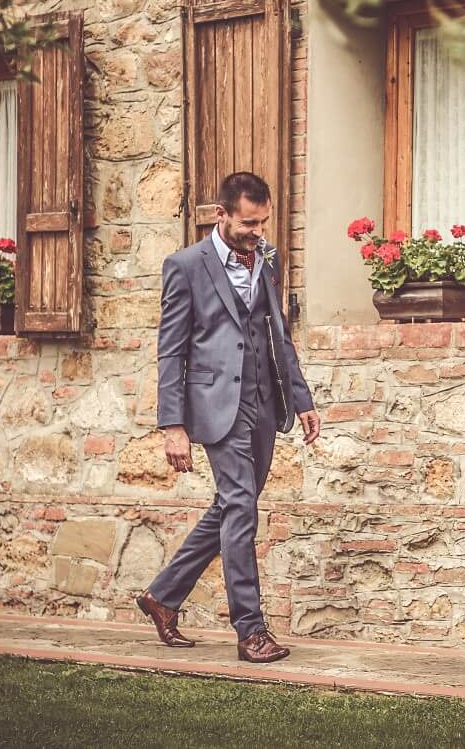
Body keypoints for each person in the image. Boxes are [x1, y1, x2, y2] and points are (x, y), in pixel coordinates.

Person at [135, 171, 320, 664]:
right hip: (216, 407)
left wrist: (301, 399)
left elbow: (279, 334)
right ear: (221, 215)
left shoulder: (269, 257)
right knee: (241, 507)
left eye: (262, 222)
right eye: (248, 223)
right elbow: (170, 350)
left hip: (264, 402)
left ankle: (162, 596)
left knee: (231, 505)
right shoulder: (185, 266)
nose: (257, 232)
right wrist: (173, 425)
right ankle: (250, 630)